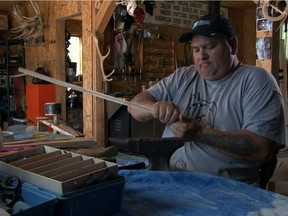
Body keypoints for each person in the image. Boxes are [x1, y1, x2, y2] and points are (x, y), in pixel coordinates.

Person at [127, 14, 286, 187]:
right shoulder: (183, 76)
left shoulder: (256, 80)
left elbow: (261, 149)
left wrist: (199, 134)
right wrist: (154, 107)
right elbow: (134, 107)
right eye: (195, 49)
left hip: (226, 190)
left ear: (233, 45)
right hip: (170, 179)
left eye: (209, 47)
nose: (201, 56)